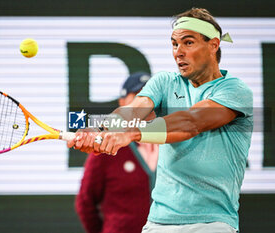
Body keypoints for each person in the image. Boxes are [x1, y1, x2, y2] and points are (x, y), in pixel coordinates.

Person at [68, 7, 253, 233]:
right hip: (158, 224)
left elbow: (191, 122)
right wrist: (102, 130)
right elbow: (134, 110)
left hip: (212, 223)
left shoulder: (234, 90)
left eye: (188, 43)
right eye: (174, 44)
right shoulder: (164, 82)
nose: (178, 52)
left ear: (213, 45)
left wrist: (134, 133)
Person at [75, 72, 159, 233]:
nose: (145, 104)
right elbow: (85, 202)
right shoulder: (104, 149)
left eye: (151, 98)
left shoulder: (171, 143)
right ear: (122, 102)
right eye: (138, 96)